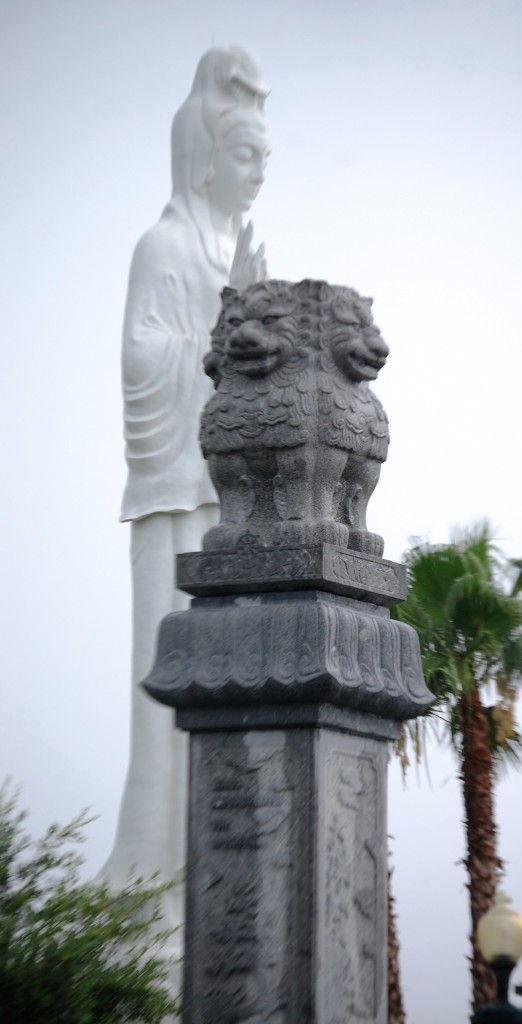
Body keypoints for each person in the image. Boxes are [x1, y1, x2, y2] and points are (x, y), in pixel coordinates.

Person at [99, 48, 270, 951]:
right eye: (245, 155)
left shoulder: (220, 249)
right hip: (174, 499)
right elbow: (141, 356)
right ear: (208, 154)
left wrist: (243, 308)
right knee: (168, 688)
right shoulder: (162, 247)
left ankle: (212, 888)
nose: (257, 172)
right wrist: (220, 318)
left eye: (263, 159)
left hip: (225, 498)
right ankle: (149, 891)